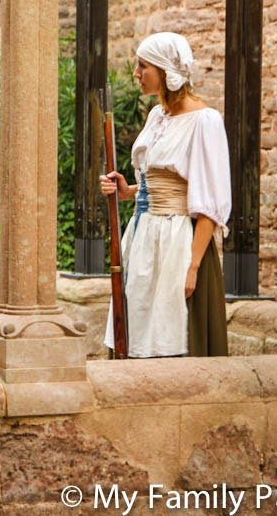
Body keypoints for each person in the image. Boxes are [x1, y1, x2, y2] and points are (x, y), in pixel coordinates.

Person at [100, 32, 231, 358]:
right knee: (136, 331)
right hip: (145, 238)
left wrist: (193, 266)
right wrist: (126, 190)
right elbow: (152, 184)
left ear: (165, 70)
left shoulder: (205, 121)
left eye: (143, 66)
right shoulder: (157, 116)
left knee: (173, 337)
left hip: (179, 244)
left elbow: (209, 205)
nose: (136, 74)